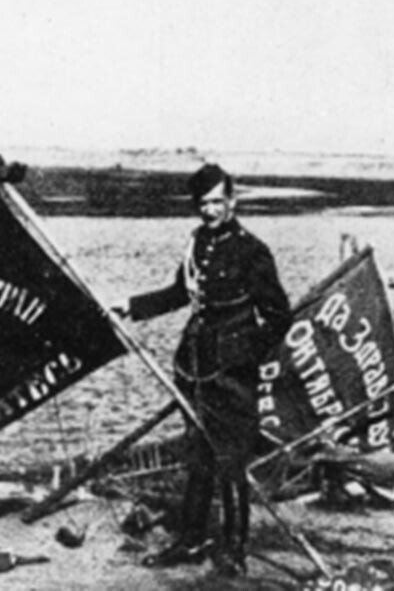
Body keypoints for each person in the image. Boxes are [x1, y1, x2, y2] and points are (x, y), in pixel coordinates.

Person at [114, 164, 291, 577]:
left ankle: (234, 550)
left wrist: (244, 355)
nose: (210, 210)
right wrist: (132, 306)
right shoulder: (196, 243)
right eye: (203, 203)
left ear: (233, 201)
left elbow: (278, 316)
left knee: (230, 462)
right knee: (198, 457)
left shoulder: (252, 251)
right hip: (193, 366)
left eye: (217, 201)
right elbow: (180, 293)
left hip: (232, 375)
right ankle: (191, 541)